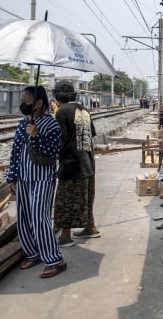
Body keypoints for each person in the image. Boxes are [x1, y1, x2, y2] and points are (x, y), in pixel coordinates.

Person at [6, 85, 66, 278]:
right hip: (23, 177)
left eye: (26, 101)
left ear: (39, 103)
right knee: (23, 217)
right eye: (22, 101)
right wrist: (12, 176)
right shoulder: (23, 123)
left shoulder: (51, 124)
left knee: (40, 217)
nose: (23, 104)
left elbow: (52, 152)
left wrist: (36, 136)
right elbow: (16, 152)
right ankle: (33, 253)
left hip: (42, 177)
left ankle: (55, 259)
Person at [53, 81, 101, 247]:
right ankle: (91, 227)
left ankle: (65, 236)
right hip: (88, 162)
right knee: (87, 198)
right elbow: (92, 133)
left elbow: (61, 139)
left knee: (65, 201)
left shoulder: (61, 112)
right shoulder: (84, 110)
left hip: (71, 165)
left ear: (57, 96)